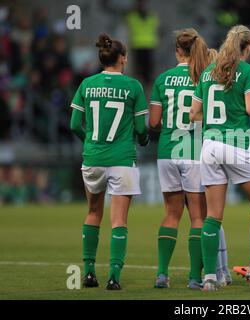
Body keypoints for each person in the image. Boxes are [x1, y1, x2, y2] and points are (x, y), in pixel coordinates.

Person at [190, 25, 250, 291]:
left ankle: (209, 278)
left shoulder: (209, 72)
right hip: (237, 145)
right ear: (248, 47)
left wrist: (213, 119)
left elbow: (193, 114)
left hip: (209, 146)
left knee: (213, 216)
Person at [149, 29, 231, 290]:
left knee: (171, 214)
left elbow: (153, 122)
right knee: (198, 217)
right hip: (194, 152)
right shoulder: (203, 78)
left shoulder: (162, 79)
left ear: (177, 51)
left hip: (167, 152)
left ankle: (162, 274)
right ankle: (195, 277)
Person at [69, 33, 149, 290]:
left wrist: (89, 141)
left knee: (93, 213)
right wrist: (145, 139)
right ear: (122, 58)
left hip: (93, 158)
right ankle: (114, 276)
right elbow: (140, 128)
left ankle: (89, 273)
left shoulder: (86, 84)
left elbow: (73, 125)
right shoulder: (133, 86)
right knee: (119, 220)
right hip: (122, 159)